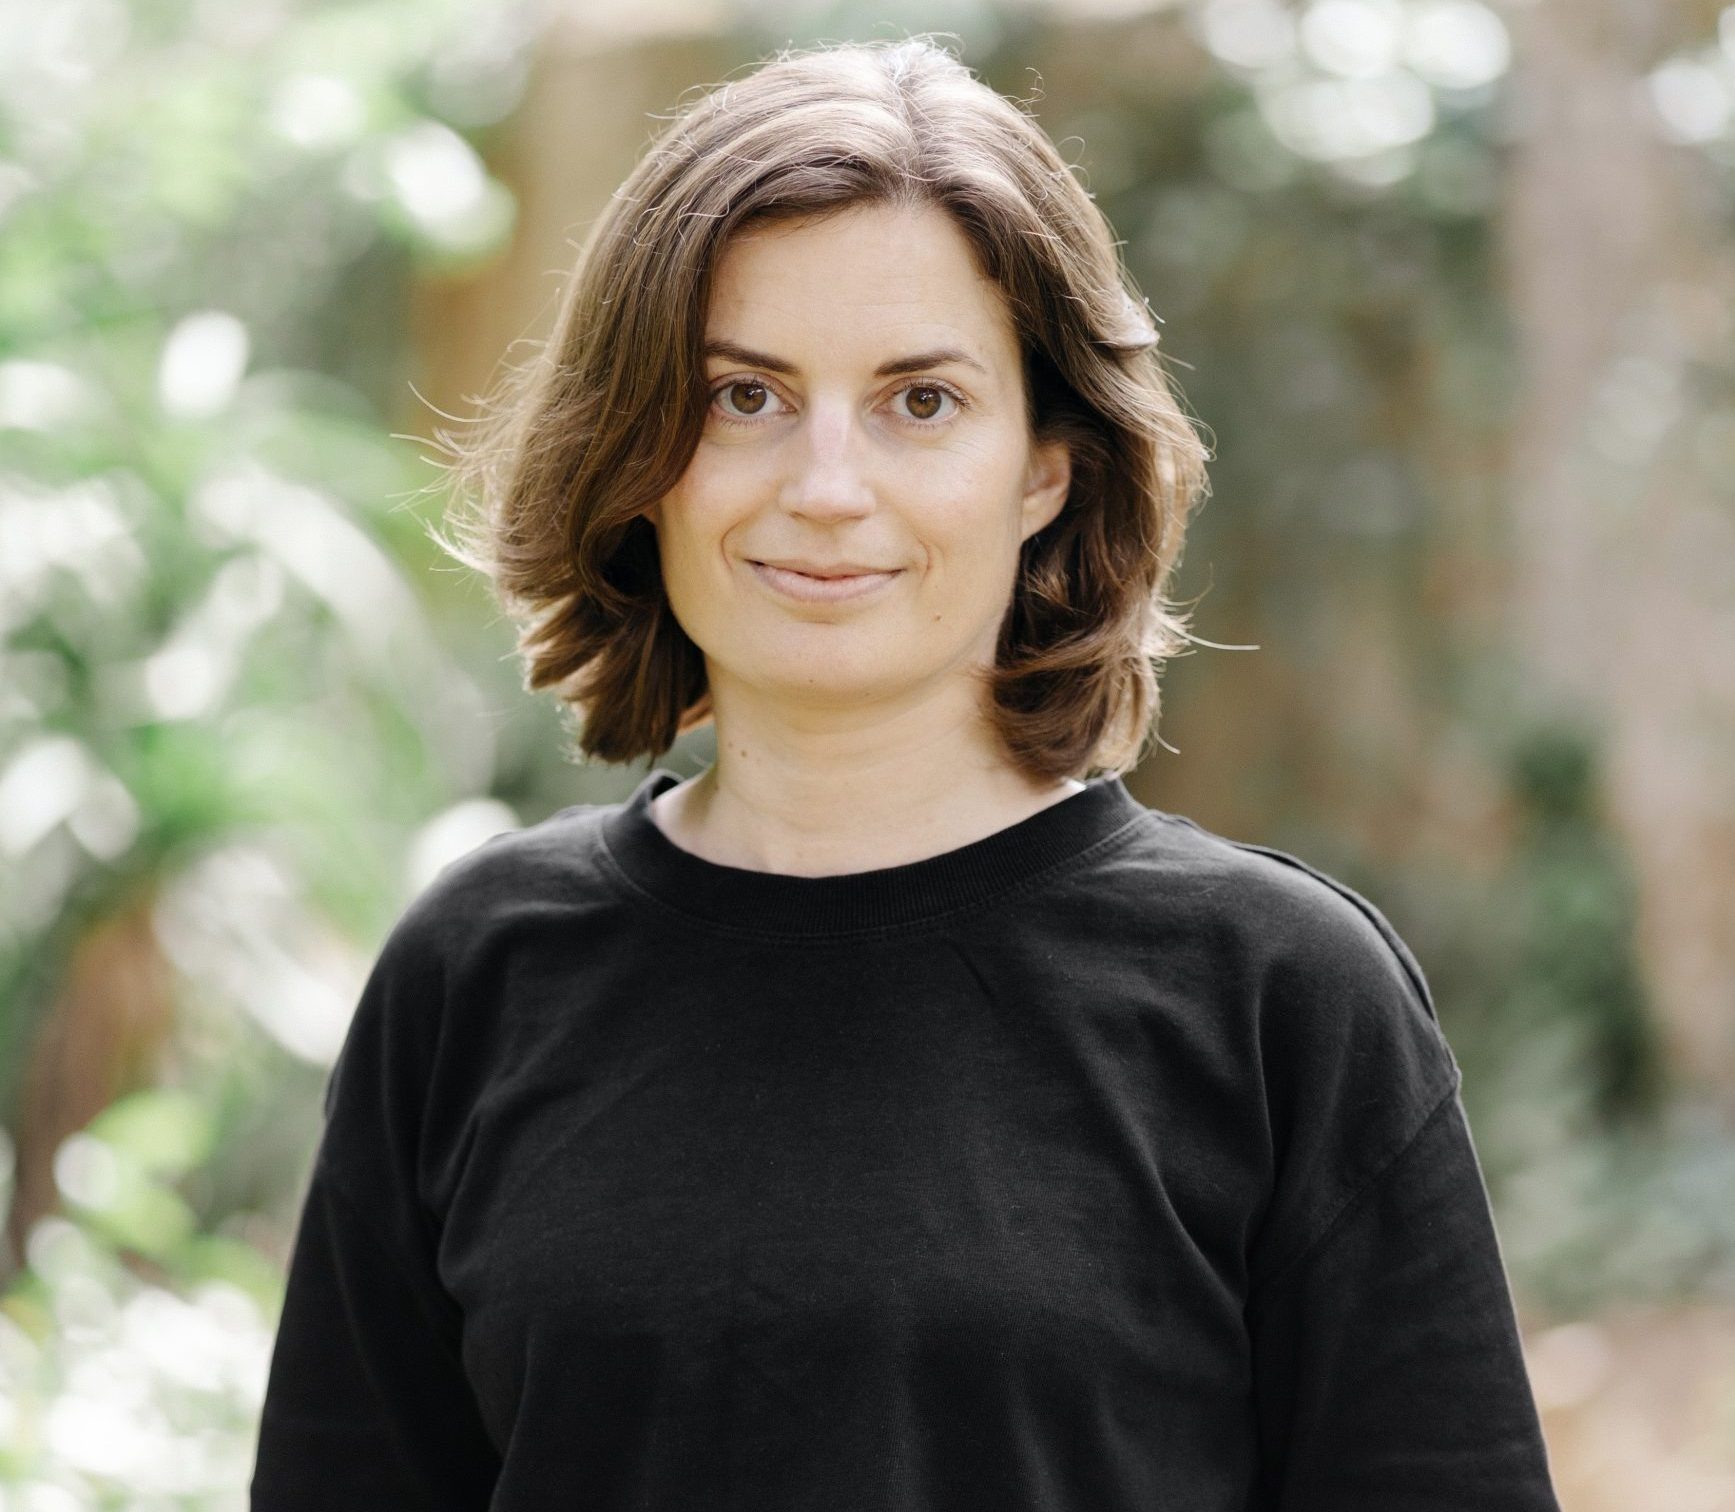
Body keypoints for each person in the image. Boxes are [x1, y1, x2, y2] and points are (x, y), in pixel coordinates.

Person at [249, 35, 1563, 1512]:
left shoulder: (1279, 1001)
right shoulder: (474, 978)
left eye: (919, 401)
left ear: (1047, 468)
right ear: (640, 451)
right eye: (743, 396)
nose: (824, 486)